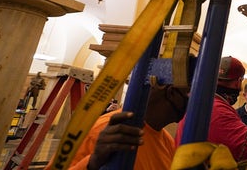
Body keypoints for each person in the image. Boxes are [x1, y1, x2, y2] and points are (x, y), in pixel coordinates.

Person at [48, 58, 191, 170]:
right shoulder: (105, 130)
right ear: (171, 93)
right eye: (190, 94)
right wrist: (94, 162)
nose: (192, 103)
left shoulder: (167, 142)